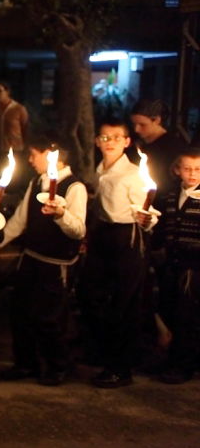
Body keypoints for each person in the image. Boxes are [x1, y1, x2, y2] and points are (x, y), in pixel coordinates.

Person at [0, 136, 87, 386]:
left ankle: (58, 366)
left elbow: (78, 230)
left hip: (57, 264)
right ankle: (26, 363)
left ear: (51, 155)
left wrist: (60, 214)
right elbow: (21, 219)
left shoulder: (73, 187)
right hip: (31, 258)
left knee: (50, 318)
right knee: (21, 313)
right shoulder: (37, 182)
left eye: (34, 154)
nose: (30, 160)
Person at [79, 119, 158, 388]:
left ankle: (121, 367)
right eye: (104, 137)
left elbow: (149, 212)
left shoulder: (134, 174)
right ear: (96, 141)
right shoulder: (101, 170)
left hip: (128, 237)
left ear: (127, 142)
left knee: (124, 303)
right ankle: (102, 352)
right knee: (92, 294)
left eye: (116, 137)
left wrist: (148, 220)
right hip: (104, 234)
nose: (109, 142)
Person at [150, 149, 200, 384]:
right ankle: (170, 359)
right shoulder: (170, 196)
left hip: (194, 266)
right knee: (169, 309)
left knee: (187, 314)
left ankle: (184, 364)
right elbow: (162, 228)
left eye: (198, 169)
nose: (192, 174)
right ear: (178, 170)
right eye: (188, 168)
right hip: (172, 262)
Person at [130, 99, 187, 197]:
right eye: (134, 124)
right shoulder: (134, 143)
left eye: (142, 125)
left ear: (157, 120)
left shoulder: (173, 147)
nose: (136, 129)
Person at [0, 81, 29, 184]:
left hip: (16, 149)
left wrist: (26, 146)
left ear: (7, 92)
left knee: (16, 175)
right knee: (0, 174)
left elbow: (26, 128)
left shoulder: (18, 109)